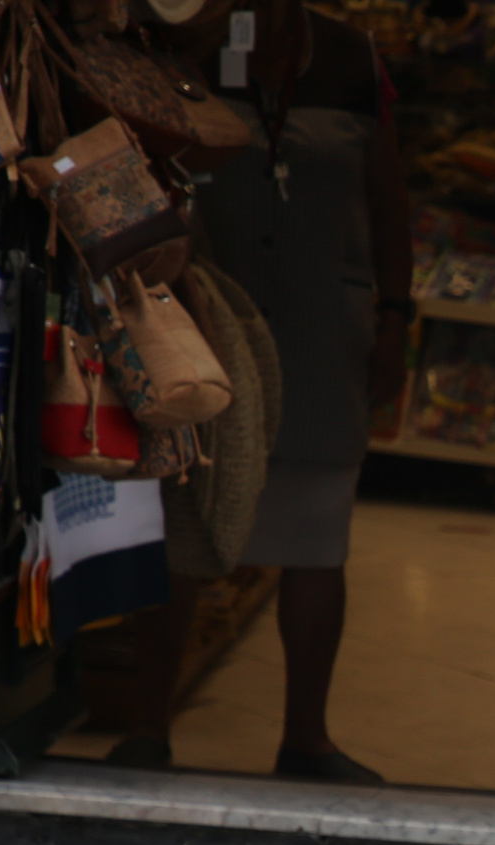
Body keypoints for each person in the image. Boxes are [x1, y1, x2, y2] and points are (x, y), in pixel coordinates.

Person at [109, 0, 411, 783]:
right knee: (185, 523)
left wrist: (396, 318)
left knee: (317, 533)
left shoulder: (351, 59)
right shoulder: (184, 52)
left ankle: (305, 739)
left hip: (323, 326)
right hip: (208, 322)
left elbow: (388, 195)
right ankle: (149, 724)